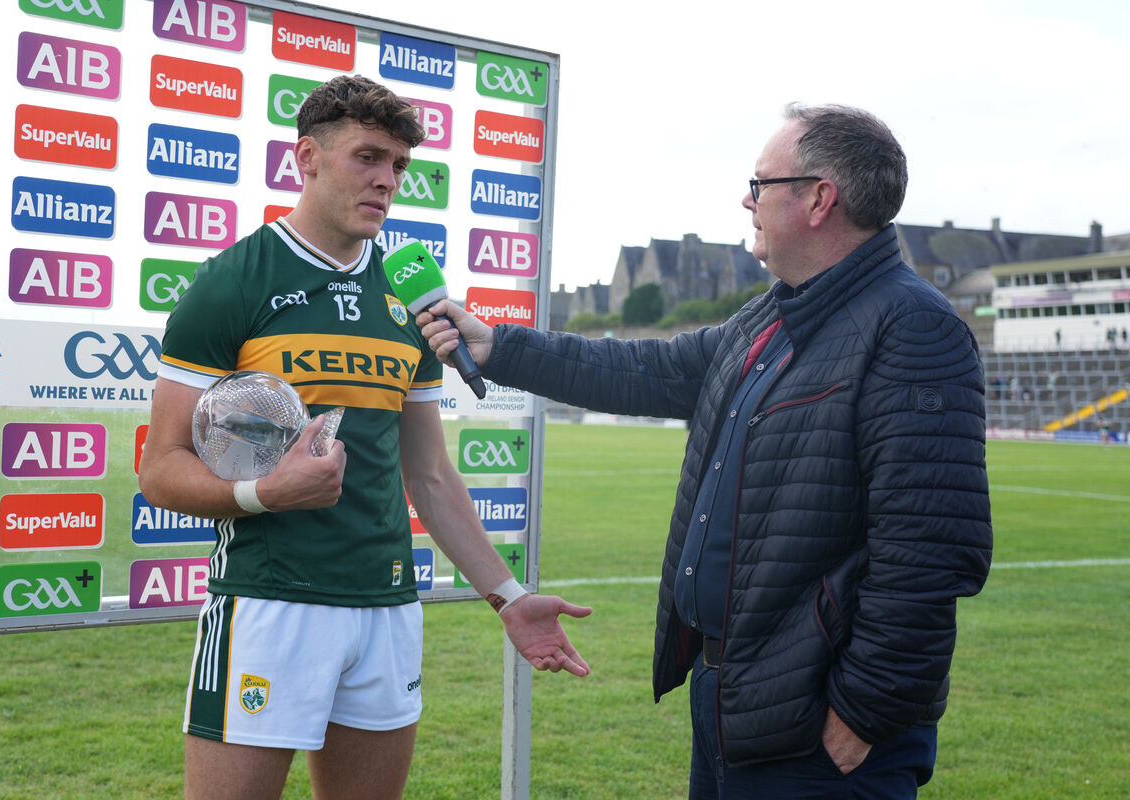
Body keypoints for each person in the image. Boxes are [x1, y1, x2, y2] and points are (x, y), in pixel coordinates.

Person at [418, 103, 993, 799]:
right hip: (739, 700)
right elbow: (646, 370)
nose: (747, 200)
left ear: (819, 199)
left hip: (822, 731)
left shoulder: (912, 327)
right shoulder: (773, 314)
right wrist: (500, 346)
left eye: (760, 184)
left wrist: (863, 714)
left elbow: (929, 551)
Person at [138, 74, 591, 800]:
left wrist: (507, 596)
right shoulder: (233, 282)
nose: (388, 181)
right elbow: (161, 468)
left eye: (399, 166)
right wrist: (265, 492)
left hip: (387, 607)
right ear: (307, 158)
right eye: (369, 158)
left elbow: (430, 476)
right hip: (268, 602)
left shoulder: (409, 297)